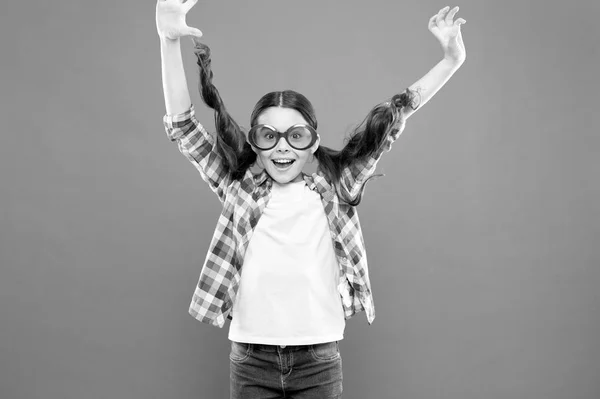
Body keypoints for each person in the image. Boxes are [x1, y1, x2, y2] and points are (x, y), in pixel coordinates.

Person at [156, 1, 466, 397]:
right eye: (269, 135)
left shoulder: (335, 190)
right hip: (250, 360)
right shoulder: (239, 190)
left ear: (314, 142)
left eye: (296, 135)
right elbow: (185, 129)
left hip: (318, 361)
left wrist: (451, 60)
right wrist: (167, 40)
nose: (282, 148)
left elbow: (392, 120)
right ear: (254, 142)